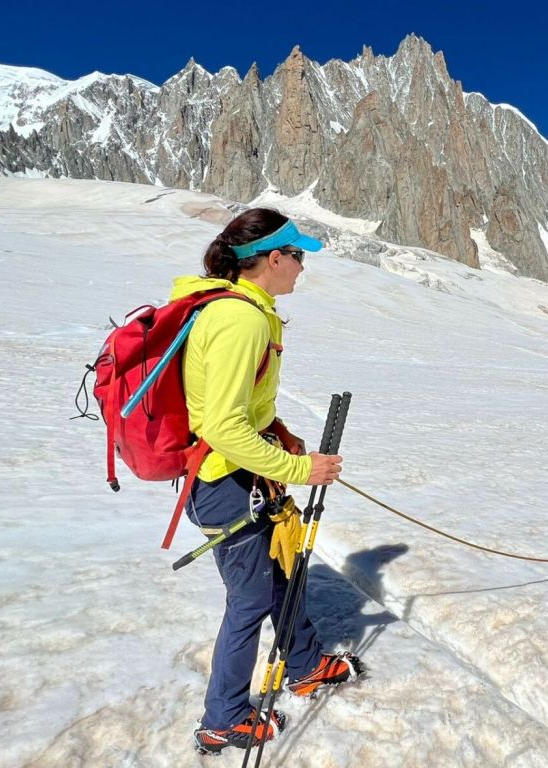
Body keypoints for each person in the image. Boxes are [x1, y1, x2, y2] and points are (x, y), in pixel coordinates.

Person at [177, 209, 359, 755]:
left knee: (279, 573)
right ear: (274, 259)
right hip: (223, 481)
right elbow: (223, 425)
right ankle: (224, 718)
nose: (303, 268)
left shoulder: (243, 310)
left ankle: (302, 664)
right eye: (298, 257)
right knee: (250, 597)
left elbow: (234, 405)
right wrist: (302, 470)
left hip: (236, 474)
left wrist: (276, 431)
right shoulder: (242, 320)